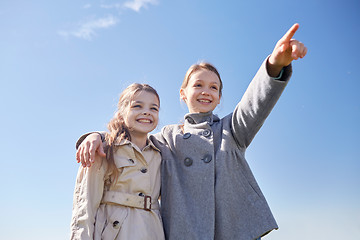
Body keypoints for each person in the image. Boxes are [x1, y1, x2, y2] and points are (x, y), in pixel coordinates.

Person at [76, 24, 307, 240]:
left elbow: (254, 104)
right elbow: (133, 140)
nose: (206, 91)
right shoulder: (167, 136)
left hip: (230, 231)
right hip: (182, 232)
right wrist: (95, 136)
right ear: (183, 93)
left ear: (218, 99)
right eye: (198, 85)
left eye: (213, 87)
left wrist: (275, 64)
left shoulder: (232, 130)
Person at [70, 83, 165, 240]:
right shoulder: (103, 149)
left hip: (152, 232)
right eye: (138, 106)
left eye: (153, 108)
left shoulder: (161, 153)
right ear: (121, 114)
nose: (146, 112)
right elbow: (84, 205)